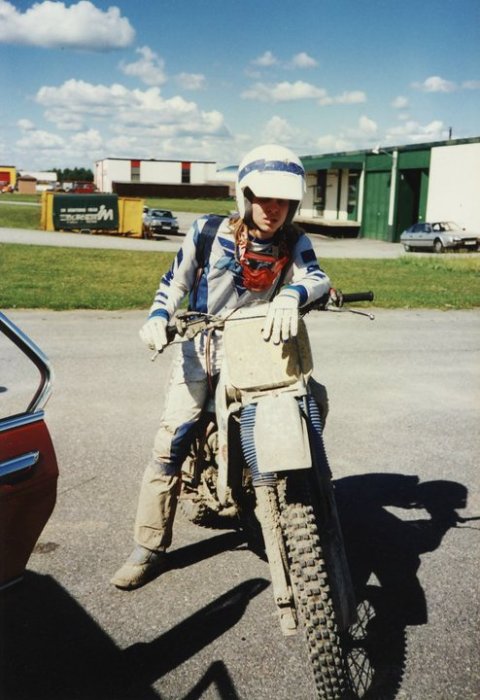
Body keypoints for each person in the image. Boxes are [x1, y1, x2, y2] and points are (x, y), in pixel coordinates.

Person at [111, 144, 331, 590]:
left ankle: (289, 503)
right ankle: (149, 545)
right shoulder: (207, 231)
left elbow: (317, 277)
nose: (273, 209)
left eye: (283, 200)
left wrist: (293, 294)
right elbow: (176, 280)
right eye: (264, 198)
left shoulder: (296, 241)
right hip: (200, 350)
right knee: (171, 441)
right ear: (244, 195)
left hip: (261, 353)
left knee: (312, 403)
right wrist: (158, 317)